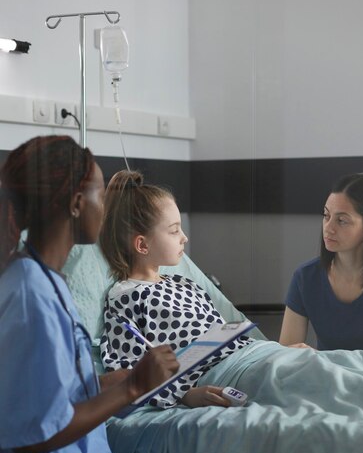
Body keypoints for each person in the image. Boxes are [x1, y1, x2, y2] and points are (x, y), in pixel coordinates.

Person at [0, 135, 256, 453]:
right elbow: (37, 434)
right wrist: (136, 387)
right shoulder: (30, 296)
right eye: (100, 194)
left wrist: (130, 379)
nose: (106, 206)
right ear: (77, 203)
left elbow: (55, 387)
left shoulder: (44, 282)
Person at [99, 169, 253, 408]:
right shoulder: (126, 297)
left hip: (251, 358)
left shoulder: (185, 283)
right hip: (223, 376)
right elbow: (127, 370)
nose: (184, 238)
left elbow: (227, 334)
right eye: (174, 230)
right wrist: (185, 394)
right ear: (142, 244)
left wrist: (272, 349)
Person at [279, 173, 363, 353]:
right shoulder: (305, 277)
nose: (328, 228)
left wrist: (316, 359)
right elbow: (285, 355)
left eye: (342, 220)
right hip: (329, 377)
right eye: (326, 216)